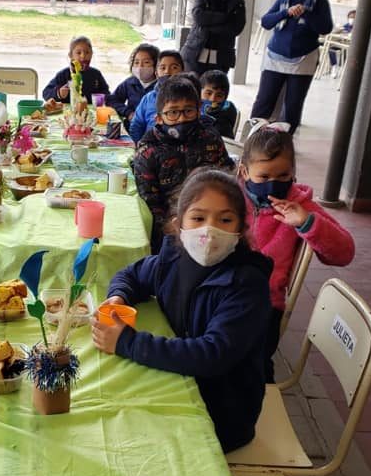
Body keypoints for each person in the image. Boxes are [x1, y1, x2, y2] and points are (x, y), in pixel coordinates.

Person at [92, 169, 273, 453]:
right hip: (179, 380)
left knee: (122, 437)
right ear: (179, 225)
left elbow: (212, 355)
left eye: (225, 220)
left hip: (221, 412)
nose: (209, 231)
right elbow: (132, 275)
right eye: (198, 218)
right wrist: (118, 296)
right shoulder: (175, 258)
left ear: (240, 230)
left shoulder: (246, 286)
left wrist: (127, 342)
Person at [239, 126, 354, 382]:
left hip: (266, 304)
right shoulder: (230, 197)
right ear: (245, 172)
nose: (274, 183)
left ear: (293, 173)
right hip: (223, 290)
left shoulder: (301, 206)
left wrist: (307, 223)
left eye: (283, 175)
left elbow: (345, 252)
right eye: (264, 176)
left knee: (253, 367)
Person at [132, 76, 233, 255]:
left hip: (212, 221)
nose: (181, 118)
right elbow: (149, 198)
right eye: (173, 112)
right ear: (159, 118)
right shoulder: (148, 149)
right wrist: (170, 226)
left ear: (199, 110)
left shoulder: (210, 137)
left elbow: (226, 176)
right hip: (168, 230)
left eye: (188, 111)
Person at [251, 0, 333, 134]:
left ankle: (283, 144)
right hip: (275, 58)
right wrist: (286, 12)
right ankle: (253, 138)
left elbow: (325, 28)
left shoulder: (320, 2)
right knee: (264, 101)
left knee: (292, 106)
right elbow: (266, 22)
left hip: (304, 60)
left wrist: (305, 13)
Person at [181, 0, 246, 75]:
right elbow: (198, 16)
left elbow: (236, 28)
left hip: (221, 56)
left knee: (216, 86)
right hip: (196, 51)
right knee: (192, 84)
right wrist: (225, 18)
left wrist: (208, 25)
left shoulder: (238, 2)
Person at [128, 50, 184, 143]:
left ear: (182, 72)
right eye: (162, 68)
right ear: (156, 73)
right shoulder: (148, 98)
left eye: (174, 67)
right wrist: (138, 146)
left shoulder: (190, 98)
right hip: (150, 149)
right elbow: (136, 126)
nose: (167, 72)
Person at [105, 43, 159, 132]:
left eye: (146, 62)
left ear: (156, 65)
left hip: (153, 132)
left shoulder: (160, 87)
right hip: (131, 129)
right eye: (136, 62)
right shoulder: (130, 82)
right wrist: (128, 112)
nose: (140, 67)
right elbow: (112, 100)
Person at [43, 36, 110, 104]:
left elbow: (107, 93)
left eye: (87, 52)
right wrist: (59, 93)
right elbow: (46, 93)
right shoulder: (63, 74)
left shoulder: (96, 74)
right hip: (68, 112)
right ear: (71, 56)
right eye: (78, 53)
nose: (83, 56)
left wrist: (103, 98)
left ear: (92, 54)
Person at [200, 69, 239, 139]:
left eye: (219, 96)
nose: (212, 99)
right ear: (199, 91)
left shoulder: (227, 113)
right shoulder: (192, 108)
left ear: (225, 98)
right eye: (208, 93)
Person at [328, 9, 355, 78]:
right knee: (331, 48)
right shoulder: (346, 26)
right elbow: (334, 33)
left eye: (353, 17)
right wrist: (339, 29)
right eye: (350, 17)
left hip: (350, 47)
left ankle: (344, 69)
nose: (351, 19)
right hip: (341, 43)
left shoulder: (358, 28)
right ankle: (334, 66)